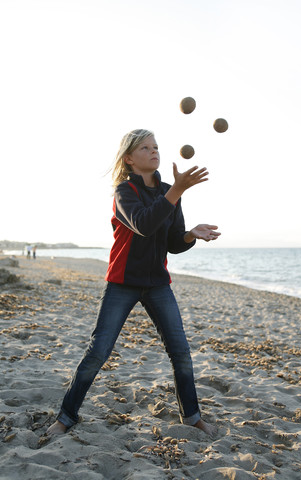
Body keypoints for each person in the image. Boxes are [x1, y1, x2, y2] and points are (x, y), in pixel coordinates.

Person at [47, 129, 221, 437]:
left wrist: (191, 234)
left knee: (180, 351)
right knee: (98, 351)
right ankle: (66, 417)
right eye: (145, 147)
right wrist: (176, 191)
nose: (154, 151)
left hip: (157, 284)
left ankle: (192, 417)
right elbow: (143, 224)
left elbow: (172, 242)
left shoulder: (169, 191)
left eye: (156, 146)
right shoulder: (124, 191)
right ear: (129, 158)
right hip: (123, 282)